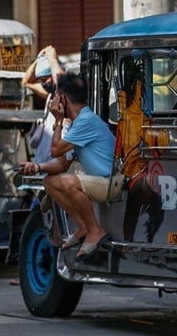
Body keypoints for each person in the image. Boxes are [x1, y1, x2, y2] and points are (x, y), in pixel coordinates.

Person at [18, 72, 118, 262]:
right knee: (50, 182)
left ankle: (95, 231)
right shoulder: (78, 123)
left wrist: (56, 120)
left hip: (110, 182)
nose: (53, 100)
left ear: (62, 98)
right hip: (100, 181)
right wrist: (37, 167)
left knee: (67, 182)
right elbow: (63, 162)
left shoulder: (86, 121)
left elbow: (55, 150)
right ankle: (82, 226)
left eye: (55, 96)